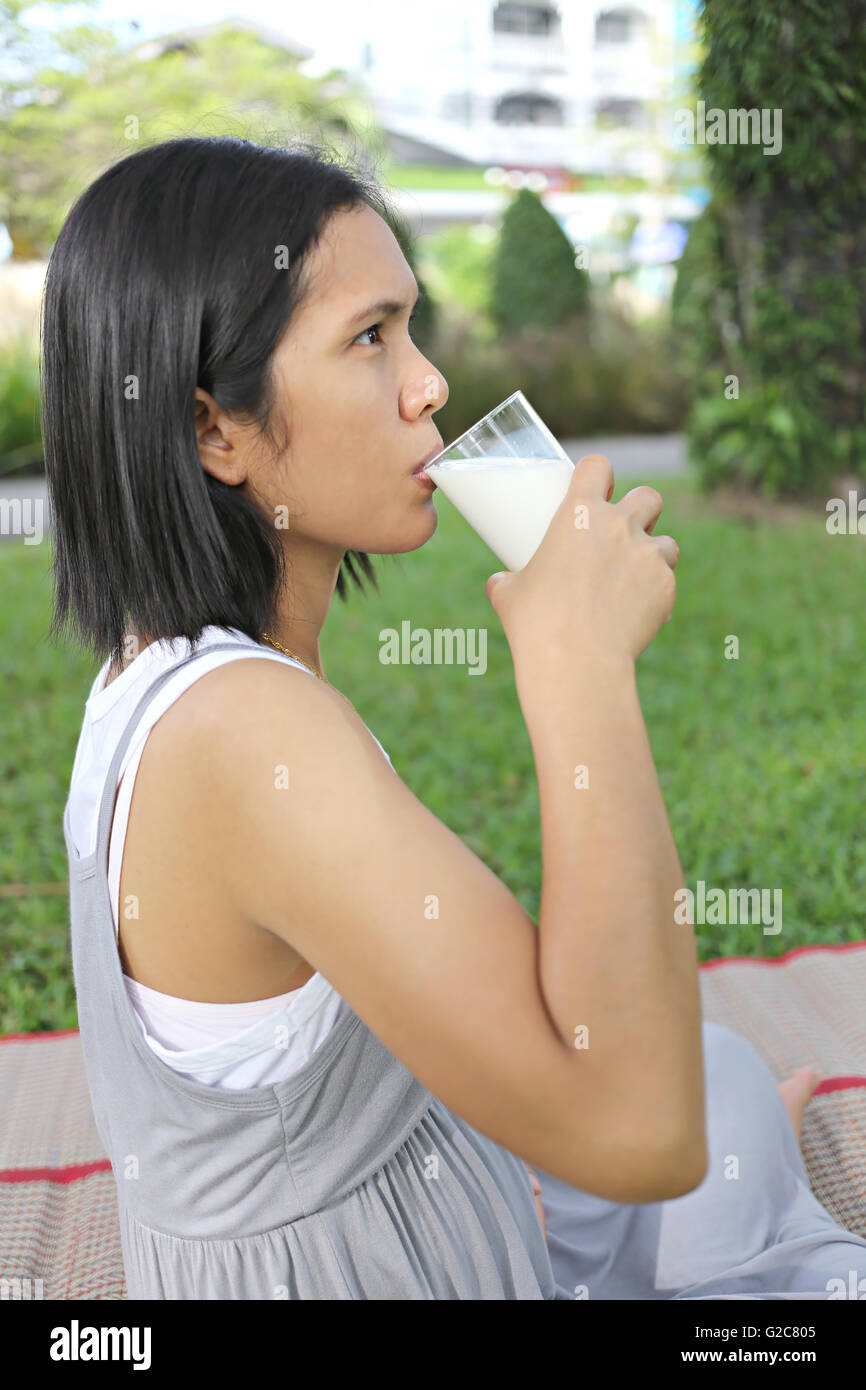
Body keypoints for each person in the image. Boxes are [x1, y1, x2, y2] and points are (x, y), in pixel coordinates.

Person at [45, 135, 866, 1299]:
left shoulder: (162, 668)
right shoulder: (248, 738)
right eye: (370, 337)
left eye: (409, 329)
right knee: (700, 1142)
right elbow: (639, 1132)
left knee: (719, 1076)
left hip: (428, 1205)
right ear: (213, 430)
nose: (428, 384)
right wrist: (578, 667)